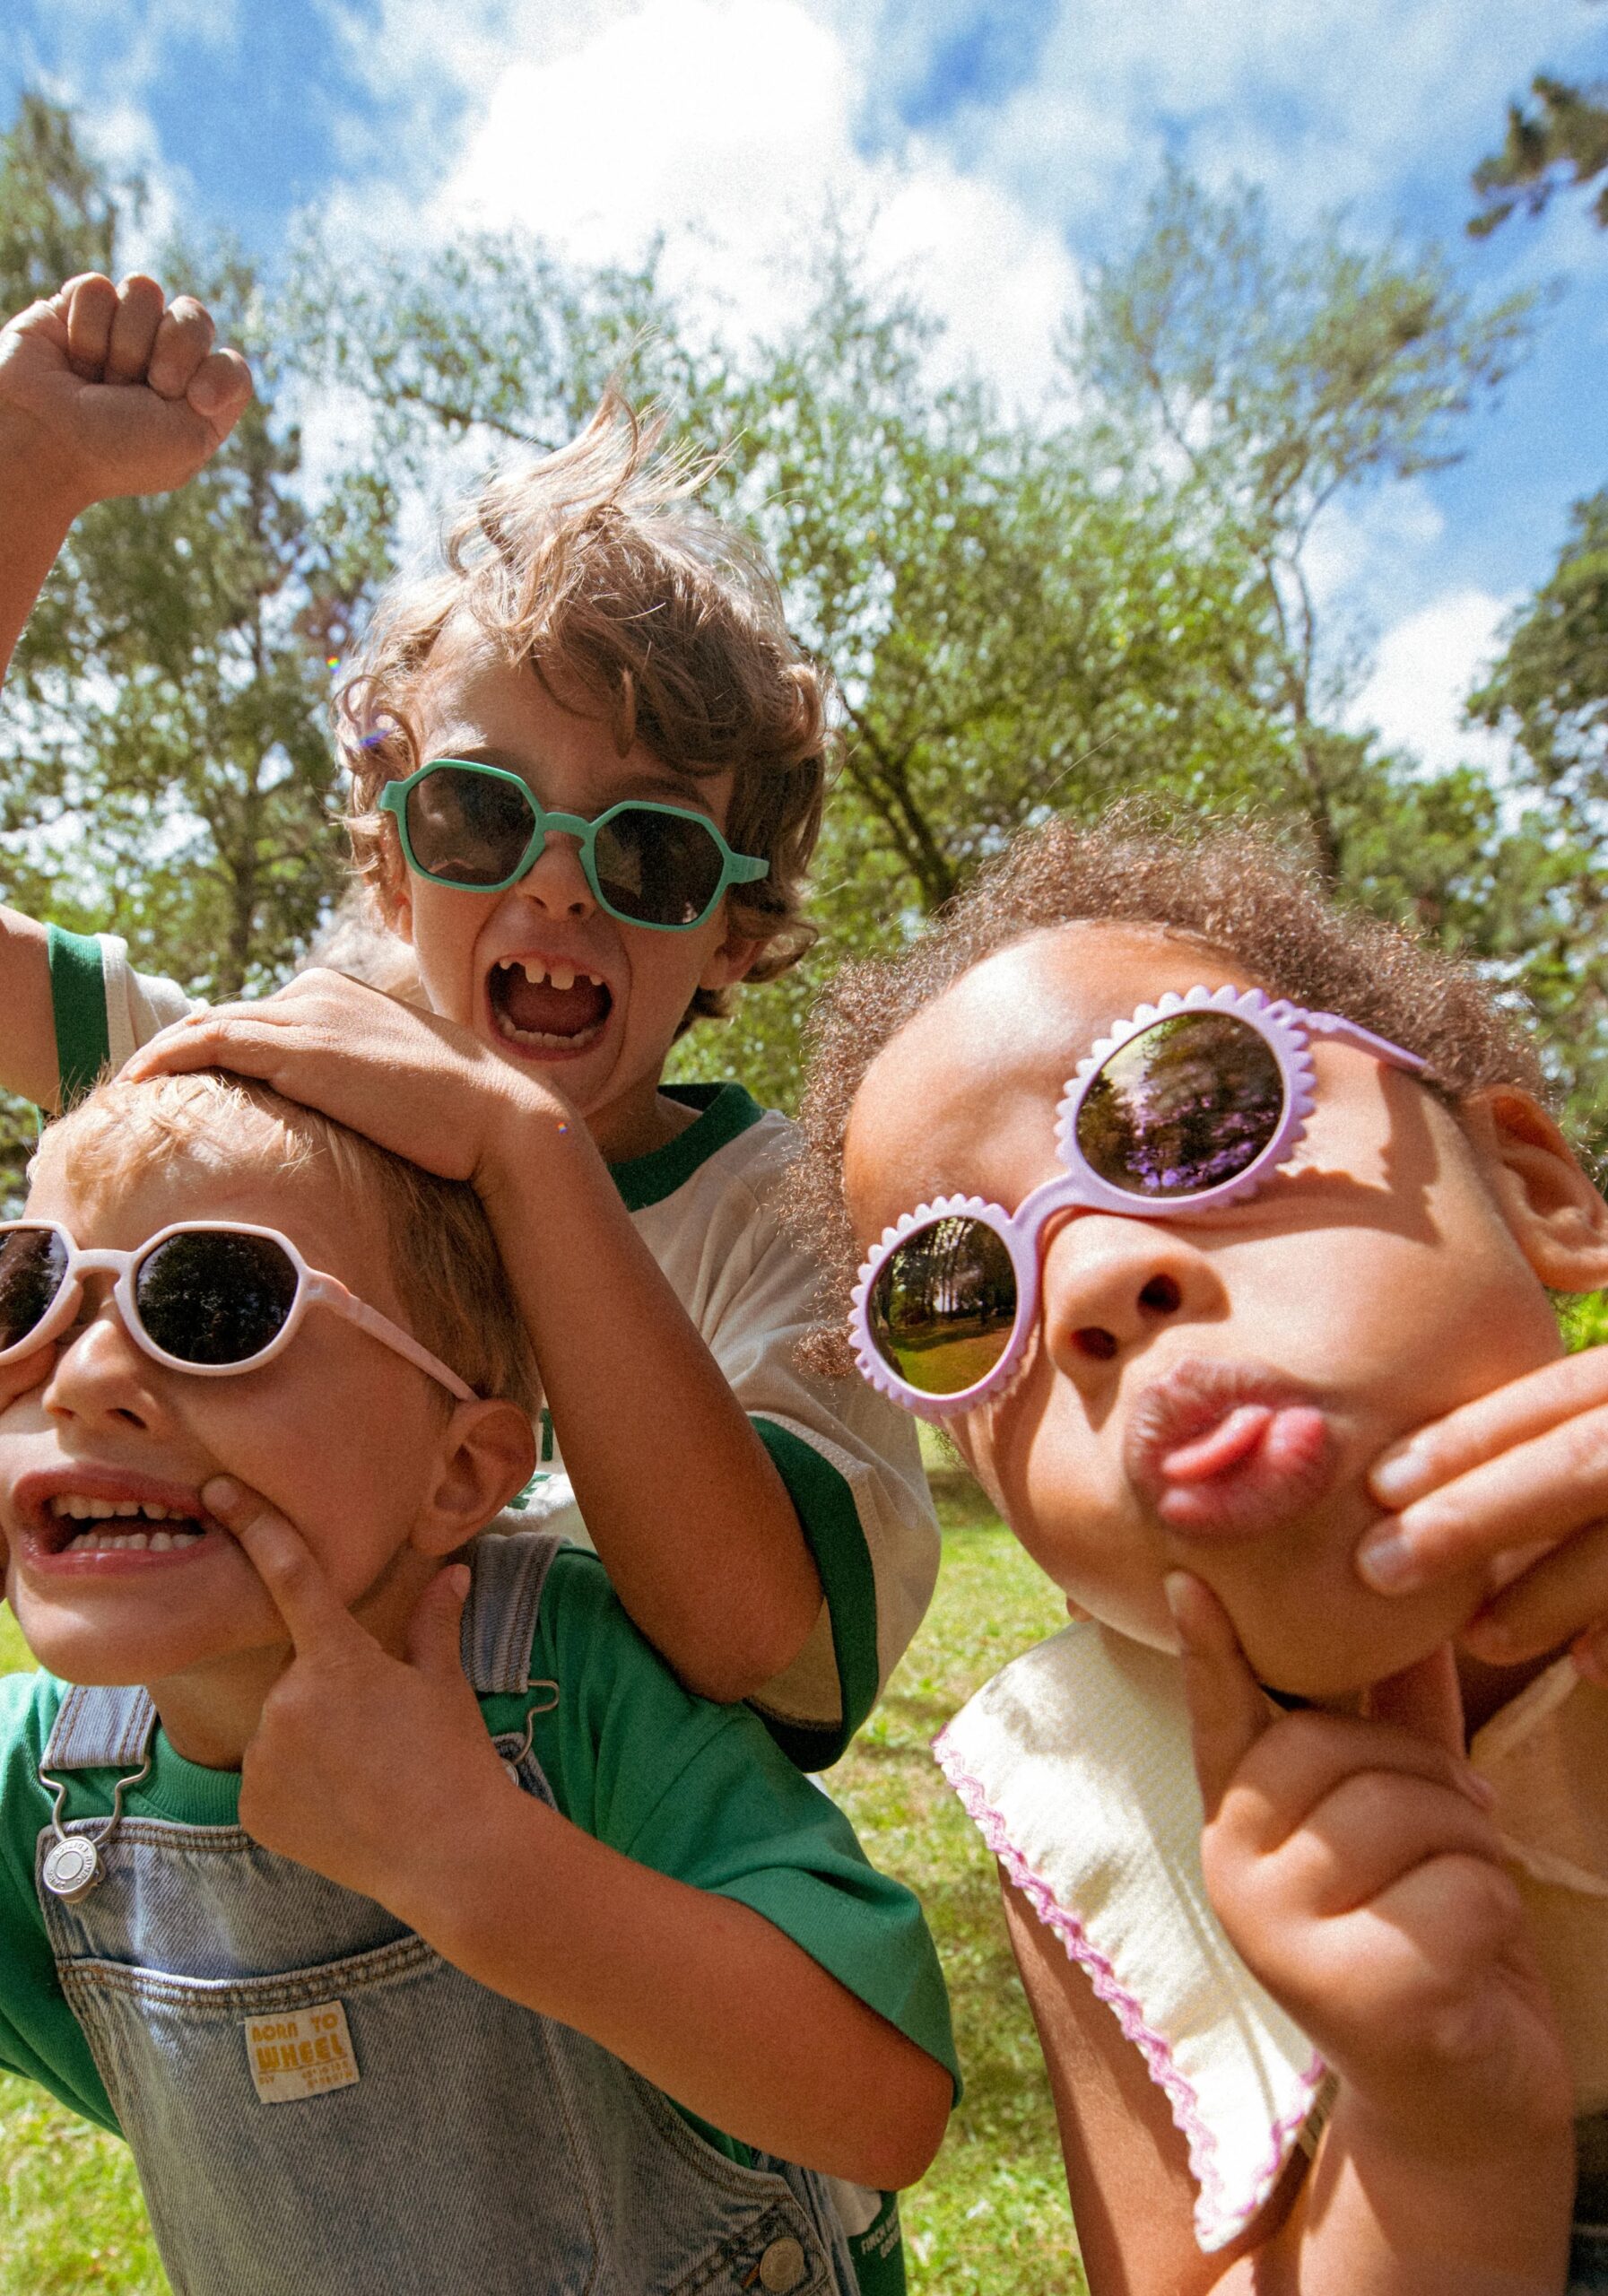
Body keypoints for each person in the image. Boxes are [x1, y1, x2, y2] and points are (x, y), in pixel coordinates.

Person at [0, 268, 937, 1771]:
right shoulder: (247, 1111)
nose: (556, 884)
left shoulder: (781, 1218)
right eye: (478, 815)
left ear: (732, 928)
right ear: (390, 862)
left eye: (648, 850)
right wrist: (28, 473)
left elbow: (761, 1640)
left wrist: (519, 1149)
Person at [786, 813, 1608, 2293]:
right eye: (959, 1300)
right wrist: (1435, 2143)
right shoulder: (1094, 1796)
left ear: (1531, 1190)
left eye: (1193, 1119)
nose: (1095, 1279)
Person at [0, 1065, 955, 2296]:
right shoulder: (43, 1795)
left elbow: (882, 2107)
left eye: (214, 1307)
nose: (82, 1380)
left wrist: (468, 1860)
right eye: (27, 1296)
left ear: (460, 1473)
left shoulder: (576, 1683)